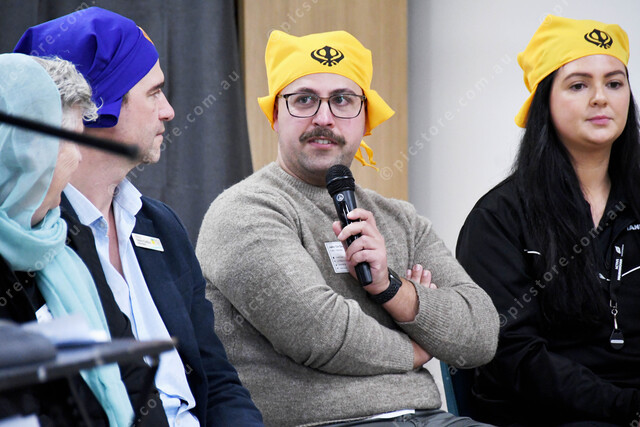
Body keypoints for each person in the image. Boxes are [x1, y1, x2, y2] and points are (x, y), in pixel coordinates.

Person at [195, 30, 499, 427]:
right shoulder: (245, 211)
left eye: (342, 100)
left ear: (365, 119)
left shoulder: (400, 219)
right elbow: (318, 332)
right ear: (275, 115)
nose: (324, 118)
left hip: (429, 418)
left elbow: (480, 334)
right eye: (304, 99)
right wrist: (416, 349)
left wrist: (392, 290)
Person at [14, 7, 263, 427]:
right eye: (154, 93)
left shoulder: (160, 225)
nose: (168, 111)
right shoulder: (32, 237)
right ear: (99, 105)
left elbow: (218, 380)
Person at [456, 15, 640, 426]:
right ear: (544, 102)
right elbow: (513, 355)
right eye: (578, 85)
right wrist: (625, 408)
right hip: (548, 415)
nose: (600, 98)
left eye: (614, 83)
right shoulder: (499, 218)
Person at [0, 52, 163, 426]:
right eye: (69, 141)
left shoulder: (68, 242)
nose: (77, 158)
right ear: (24, 152)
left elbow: (133, 373)